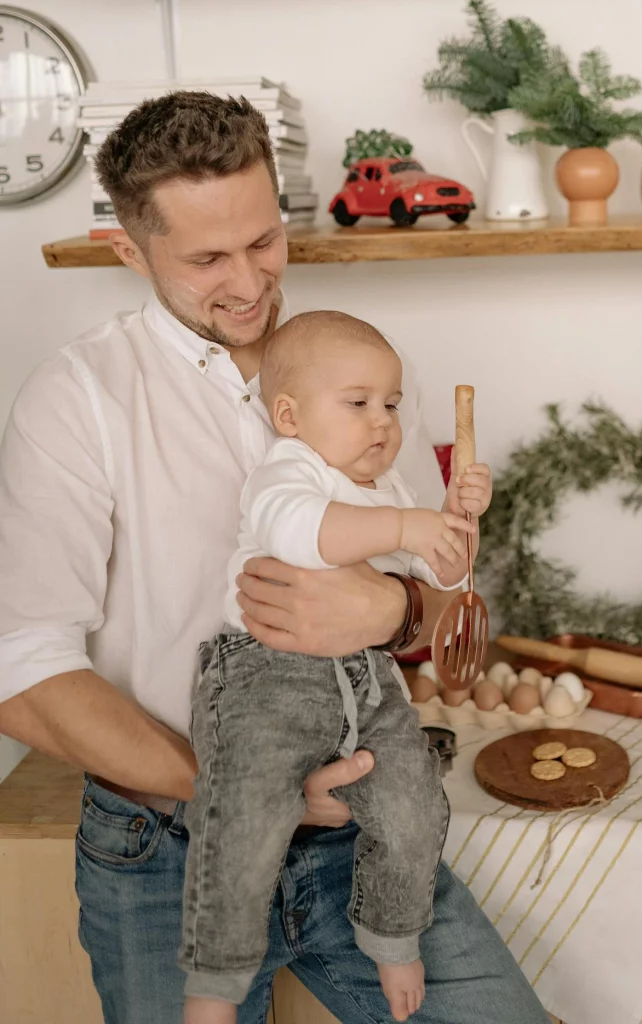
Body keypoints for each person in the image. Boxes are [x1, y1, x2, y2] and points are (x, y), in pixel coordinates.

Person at [0, 91, 550, 1024]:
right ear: (128, 251)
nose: (250, 283)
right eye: (208, 258)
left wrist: (398, 612)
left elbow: (445, 599)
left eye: (264, 242)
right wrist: (248, 795)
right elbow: (23, 670)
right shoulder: (78, 400)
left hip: (364, 836)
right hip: (164, 844)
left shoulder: (359, 368)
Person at [183, 309, 491, 1024]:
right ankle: (215, 980)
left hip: (365, 681)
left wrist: (453, 522)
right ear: (288, 414)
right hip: (267, 678)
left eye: (391, 404)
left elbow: (444, 578)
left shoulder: (386, 494)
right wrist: (405, 528)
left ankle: (392, 935)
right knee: (246, 811)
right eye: (357, 404)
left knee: (415, 800)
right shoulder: (287, 471)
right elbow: (304, 534)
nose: (382, 422)